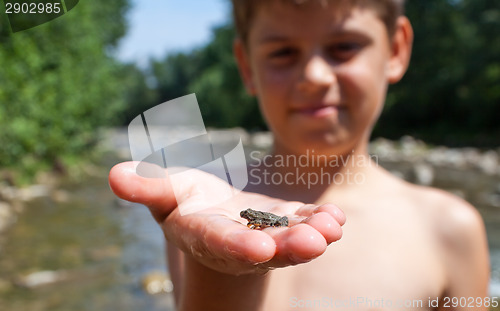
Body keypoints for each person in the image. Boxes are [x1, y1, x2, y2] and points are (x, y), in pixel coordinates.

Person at [109, 0, 491, 310]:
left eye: (344, 47)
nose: (315, 76)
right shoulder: (203, 205)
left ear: (395, 50)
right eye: (284, 52)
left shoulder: (450, 229)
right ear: (246, 66)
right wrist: (219, 267)